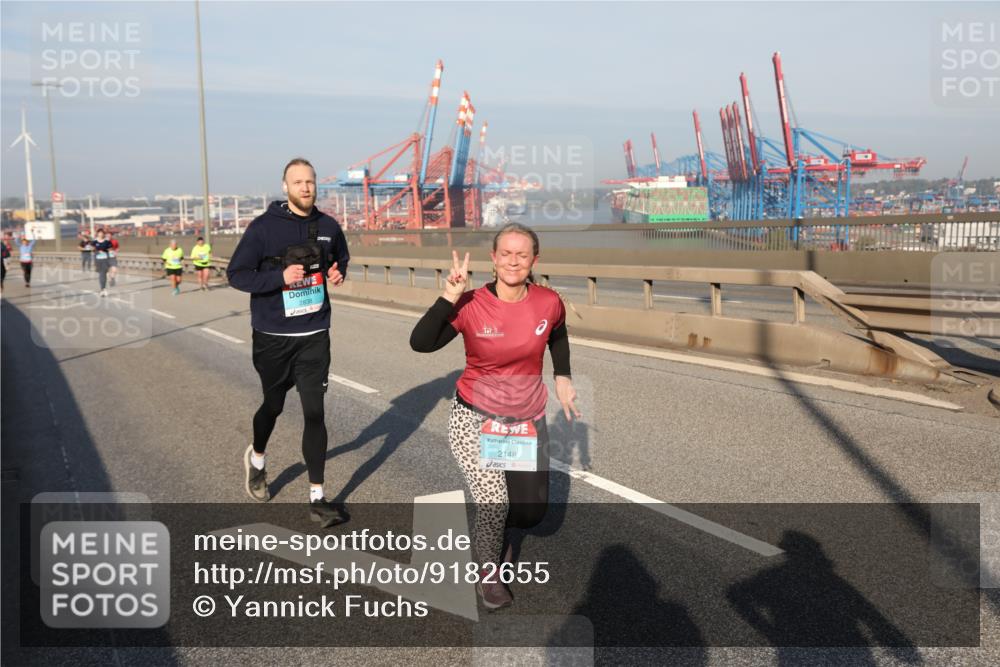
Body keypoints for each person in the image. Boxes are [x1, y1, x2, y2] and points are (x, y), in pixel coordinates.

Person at [409, 222, 580, 610]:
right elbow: (421, 344)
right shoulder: (470, 304)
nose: (513, 261)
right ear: (493, 258)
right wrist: (447, 296)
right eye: (506, 253)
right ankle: (487, 576)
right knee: (494, 503)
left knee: (531, 513)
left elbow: (558, 333)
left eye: (522, 254)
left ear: (534, 259)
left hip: (524, 419)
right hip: (475, 419)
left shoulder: (548, 301)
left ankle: (496, 535)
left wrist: (563, 376)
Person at [226, 157, 350, 527]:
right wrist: (279, 277)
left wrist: (337, 270)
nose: (306, 188)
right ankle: (258, 459)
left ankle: (318, 498)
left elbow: (341, 256)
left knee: (315, 412)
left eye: (310, 182)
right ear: (285, 187)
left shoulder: (328, 226)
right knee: (274, 406)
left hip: (314, 334)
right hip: (273, 337)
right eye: (298, 182)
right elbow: (236, 274)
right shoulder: (263, 228)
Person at [92, 229, 113, 296]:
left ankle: (103, 289)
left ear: (104, 234)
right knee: (101, 274)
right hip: (98, 260)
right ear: (97, 234)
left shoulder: (107, 241)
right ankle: (102, 289)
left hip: (105, 259)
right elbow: (92, 250)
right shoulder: (94, 242)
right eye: (99, 233)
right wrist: (98, 251)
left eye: (102, 233)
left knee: (104, 274)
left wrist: (105, 251)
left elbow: (110, 250)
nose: (101, 234)